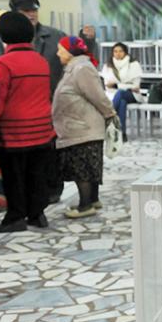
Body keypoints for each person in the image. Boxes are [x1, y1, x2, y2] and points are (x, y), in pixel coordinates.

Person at [0, 0, 68, 204]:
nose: (31, 14)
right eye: (26, 11)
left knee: (51, 154)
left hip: (51, 105)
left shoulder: (55, 36)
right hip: (14, 111)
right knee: (24, 161)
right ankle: (32, 205)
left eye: (34, 9)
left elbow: (71, 64)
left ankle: (50, 192)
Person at [52, 36, 117, 219]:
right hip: (79, 125)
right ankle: (92, 200)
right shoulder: (75, 68)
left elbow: (98, 96)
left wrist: (110, 113)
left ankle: (85, 205)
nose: (57, 53)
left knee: (83, 168)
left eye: (60, 49)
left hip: (83, 126)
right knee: (88, 166)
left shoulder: (81, 69)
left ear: (70, 51)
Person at [102, 42, 143, 142]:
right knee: (122, 102)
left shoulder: (133, 64)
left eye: (120, 51)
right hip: (113, 95)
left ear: (125, 52)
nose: (118, 54)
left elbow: (135, 87)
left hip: (132, 95)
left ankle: (109, 116)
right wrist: (125, 85)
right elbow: (108, 85)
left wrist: (117, 85)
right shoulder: (108, 65)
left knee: (120, 93)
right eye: (115, 51)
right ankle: (122, 133)